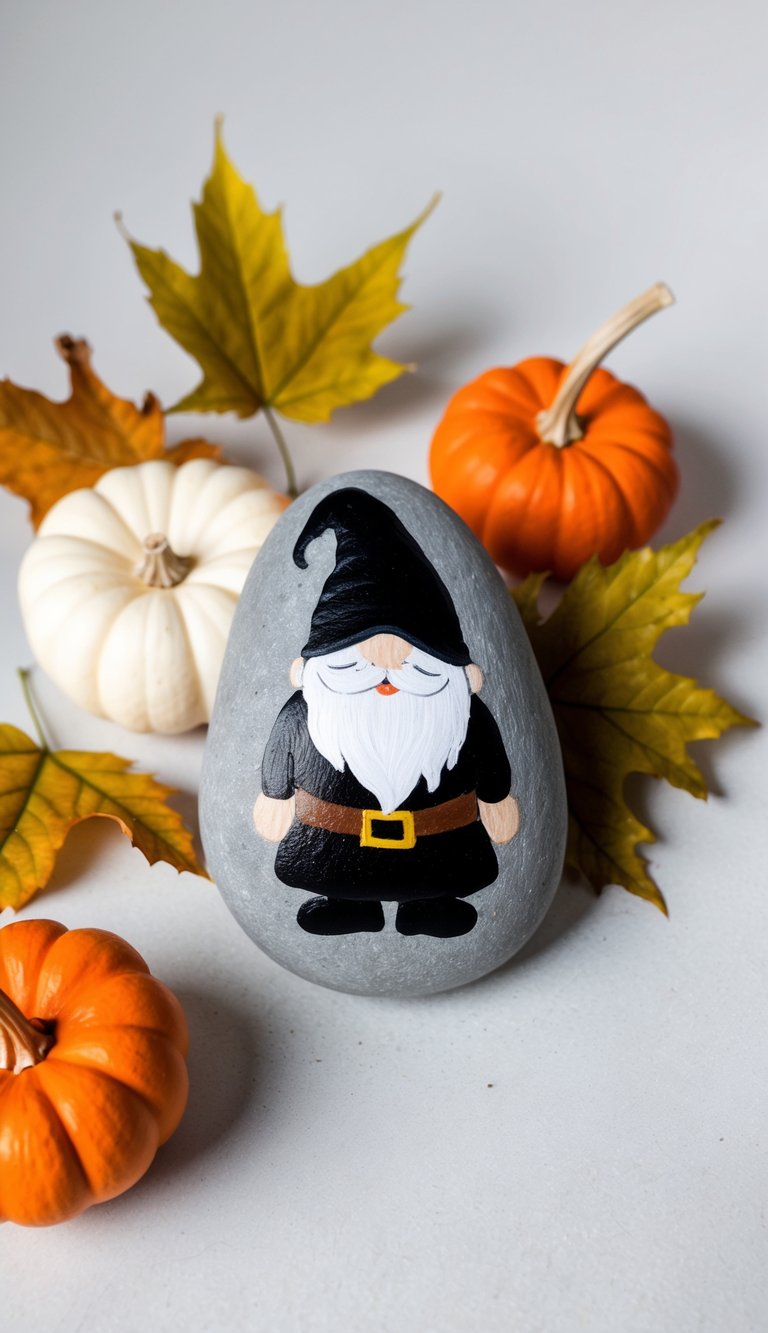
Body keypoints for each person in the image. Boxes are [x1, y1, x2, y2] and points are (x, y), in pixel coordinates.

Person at [253, 488, 519, 938]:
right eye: (358, 662)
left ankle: (431, 905)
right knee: (335, 875)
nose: (386, 678)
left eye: (413, 663)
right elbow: (282, 750)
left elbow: (490, 761)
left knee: (444, 874)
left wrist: (496, 800)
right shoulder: (307, 712)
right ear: (310, 669)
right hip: (333, 842)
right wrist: (274, 796)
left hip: (441, 842)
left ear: (463, 674)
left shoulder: (461, 714)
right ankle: (345, 906)